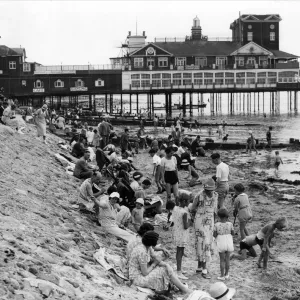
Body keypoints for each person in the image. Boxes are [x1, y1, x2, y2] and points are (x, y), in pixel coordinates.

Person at [190, 178, 218, 278]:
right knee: (203, 243)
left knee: (206, 242)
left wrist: (215, 223)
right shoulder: (199, 196)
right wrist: (195, 218)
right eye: (208, 190)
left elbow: (215, 209)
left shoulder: (216, 195)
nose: (210, 192)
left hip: (210, 222)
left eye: (211, 190)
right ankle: (204, 269)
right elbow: (192, 208)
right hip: (200, 222)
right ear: (205, 189)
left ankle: (199, 266)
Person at [166, 199, 191, 280]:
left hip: (177, 233)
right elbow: (186, 226)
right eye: (187, 201)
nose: (188, 203)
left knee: (179, 251)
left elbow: (171, 219)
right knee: (180, 252)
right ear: (184, 202)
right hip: (182, 234)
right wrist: (190, 221)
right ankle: (179, 271)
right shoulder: (184, 212)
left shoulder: (174, 209)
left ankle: (179, 269)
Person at [213, 208, 234, 281]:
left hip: (221, 241)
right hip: (228, 240)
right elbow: (233, 233)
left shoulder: (216, 225)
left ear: (219, 216)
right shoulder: (230, 224)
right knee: (227, 259)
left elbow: (214, 235)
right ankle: (227, 274)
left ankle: (222, 275)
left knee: (222, 260)